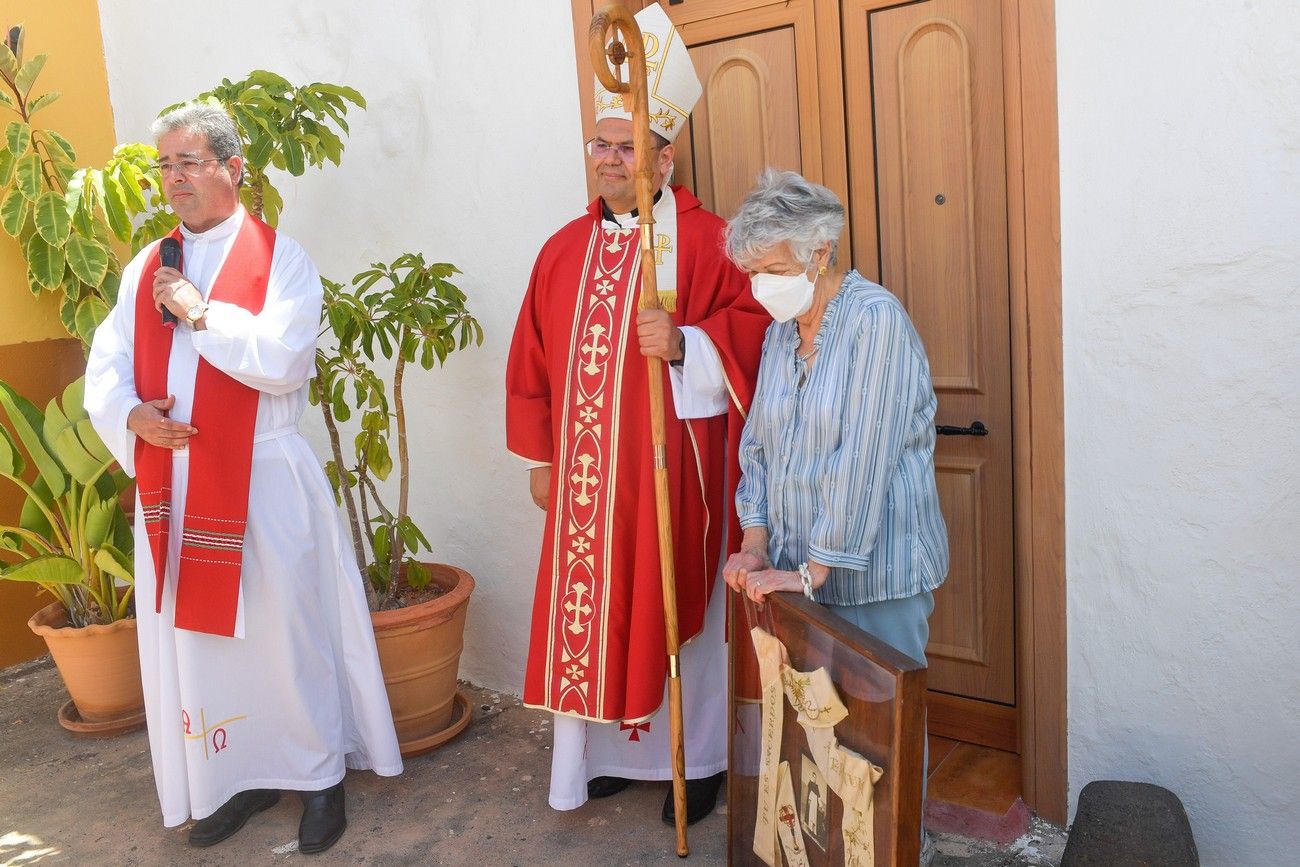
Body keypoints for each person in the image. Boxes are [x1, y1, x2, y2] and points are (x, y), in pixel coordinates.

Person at [85, 103, 402, 853]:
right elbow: (107, 366)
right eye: (163, 165)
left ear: (232, 169)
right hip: (179, 480)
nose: (173, 179)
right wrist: (131, 416)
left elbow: (285, 359)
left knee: (288, 635)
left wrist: (201, 314)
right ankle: (241, 776)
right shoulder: (146, 266)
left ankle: (320, 777)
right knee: (209, 646)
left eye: (188, 163)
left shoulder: (280, 258)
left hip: (265, 476)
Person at [506, 1, 768, 827]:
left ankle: (701, 760)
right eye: (601, 145)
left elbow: (759, 332)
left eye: (628, 147)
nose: (611, 160)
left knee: (671, 606)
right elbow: (532, 361)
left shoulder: (707, 240)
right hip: (588, 490)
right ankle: (618, 756)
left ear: (665, 154)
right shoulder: (560, 249)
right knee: (600, 612)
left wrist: (689, 341)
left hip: (672, 478)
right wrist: (544, 460)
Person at [720, 169, 948, 863]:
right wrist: (757, 544)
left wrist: (813, 570)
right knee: (819, 738)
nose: (763, 285)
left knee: (882, 740)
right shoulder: (782, 336)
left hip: (874, 574)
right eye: (753, 271)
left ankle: (896, 852)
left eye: (775, 268)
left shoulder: (874, 320)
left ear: (820, 254)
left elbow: (864, 460)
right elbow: (756, 446)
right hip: (796, 578)